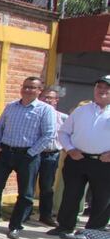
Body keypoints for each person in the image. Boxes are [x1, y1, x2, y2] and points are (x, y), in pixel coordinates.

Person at [0, 76, 55, 239]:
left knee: (25, 193)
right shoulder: (11, 106)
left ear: (39, 91)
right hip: (5, 152)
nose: (27, 90)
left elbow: (48, 134)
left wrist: (31, 153)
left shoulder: (45, 110)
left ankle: (16, 225)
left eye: (32, 87)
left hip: (28, 155)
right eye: (25, 86)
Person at [47, 75, 110, 238]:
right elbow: (63, 132)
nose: (102, 90)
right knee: (71, 194)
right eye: (99, 87)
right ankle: (65, 226)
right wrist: (70, 149)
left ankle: (93, 231)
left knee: (102, 198)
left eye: (107, 88)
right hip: (77, 159)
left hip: (104, 163)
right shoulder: (81, 110)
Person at [29, 86, 67, 226]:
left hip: (51, 155)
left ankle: (46, 215)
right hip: (34, 154)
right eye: (44, 97)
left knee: (46, 186)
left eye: (50, 98)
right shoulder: (34, 114)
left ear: (56, 100)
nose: (47, 100)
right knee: (28, 184)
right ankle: (25, 213)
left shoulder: (63, 117)